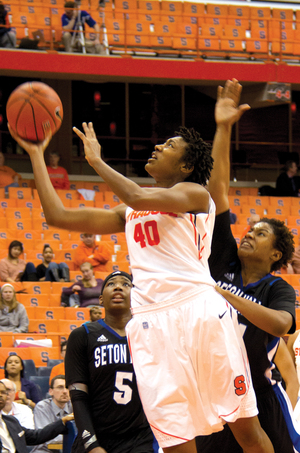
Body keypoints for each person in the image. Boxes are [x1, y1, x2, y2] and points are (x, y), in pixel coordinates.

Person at [8, 94, 276, 453]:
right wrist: (37, 153)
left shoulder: (195, 194)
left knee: (246, 431)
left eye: (167, 146)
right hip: (151, 327)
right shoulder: (130, 211)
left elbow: (136, 194)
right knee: (176, 442)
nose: (156, 146)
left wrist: (97, 162)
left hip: (198, 312)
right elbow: (58, 216)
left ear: (184, 167)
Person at [195, 79, 298, 453]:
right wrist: (223, 127)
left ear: (276, 255)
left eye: (260, 233)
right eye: (249, 229)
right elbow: (217, 191)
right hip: (216, 392)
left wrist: (225, 294)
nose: (249, 234)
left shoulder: (277, 289)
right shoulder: (223, 255)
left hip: (260, 396)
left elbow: (281, 324)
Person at [65, 270, 159, 453]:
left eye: (126, 284)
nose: (118, 287)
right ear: (100, 299)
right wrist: (92, 445)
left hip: (139, 439)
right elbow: (78, 398)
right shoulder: (82, 335)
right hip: (95, 437)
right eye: (111, 284)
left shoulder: (152, 336)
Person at [0, 380, 73, 453]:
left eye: (3, 392)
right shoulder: (42, 406)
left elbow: (36, 436)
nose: (0, 395)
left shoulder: (11, 421)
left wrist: (63, 421)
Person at [31, 375, 73, 453]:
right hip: (45, 450)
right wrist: (72, 437)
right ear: (51, 391)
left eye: (67, 387)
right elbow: (47, 438)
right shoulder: (42, 407)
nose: (65, 391)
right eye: (60, 387)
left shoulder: (74, 406)